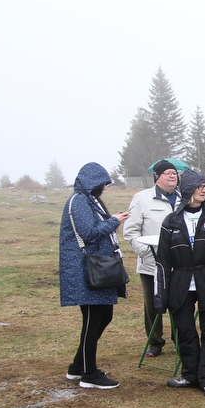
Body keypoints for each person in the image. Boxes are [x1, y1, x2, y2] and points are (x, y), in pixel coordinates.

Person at [154, 170, 205, 397]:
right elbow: (162, 261)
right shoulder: (171, 221)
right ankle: (190, 374)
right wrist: (160, 296)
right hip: (181, 282)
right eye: (200, 186)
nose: (204, 190)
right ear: (188, 190)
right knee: (185, 330)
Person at [59, 162, 131, 389]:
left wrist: (112, 219)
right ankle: (89, 375)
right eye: (103, 184)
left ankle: (77, 366)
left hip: (95, 269)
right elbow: (89, 233)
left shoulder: (88, 200)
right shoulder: (79, 201)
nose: (105, 188)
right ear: (92, 183)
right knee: (92, 321)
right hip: (86, 271)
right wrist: (114, 221)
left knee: (104, 316)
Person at [123, 159, 178, 358]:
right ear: (157, 177)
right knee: (153, 304)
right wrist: (147, 253)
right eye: (167, 173)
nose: (172, 176)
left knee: (179, 303)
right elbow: (130, 231)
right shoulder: (141, 199)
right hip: (151, 264)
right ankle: (155, 342)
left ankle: (180, 340)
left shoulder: (183, 198)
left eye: (174, 173)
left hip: (179, 264)